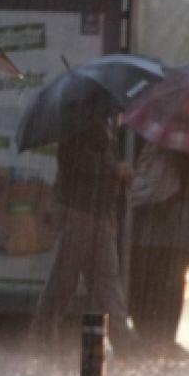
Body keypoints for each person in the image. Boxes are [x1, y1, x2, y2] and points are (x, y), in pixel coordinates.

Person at [34, 113, 137, 353]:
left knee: (105, 278)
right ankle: (43, 331)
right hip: (78, 210)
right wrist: (114, 169)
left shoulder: (104, 123)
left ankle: (123, 338)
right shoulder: (79, 121)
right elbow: (76, 160)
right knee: (65, 276)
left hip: (96, 212)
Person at [129, 145, 189, 359]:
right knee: (171, 283)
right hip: (174, 221)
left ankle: (151, 336)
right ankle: (162, 338)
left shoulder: (151, 140)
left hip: (153, 219)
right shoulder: (186, 145)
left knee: (154, 280)